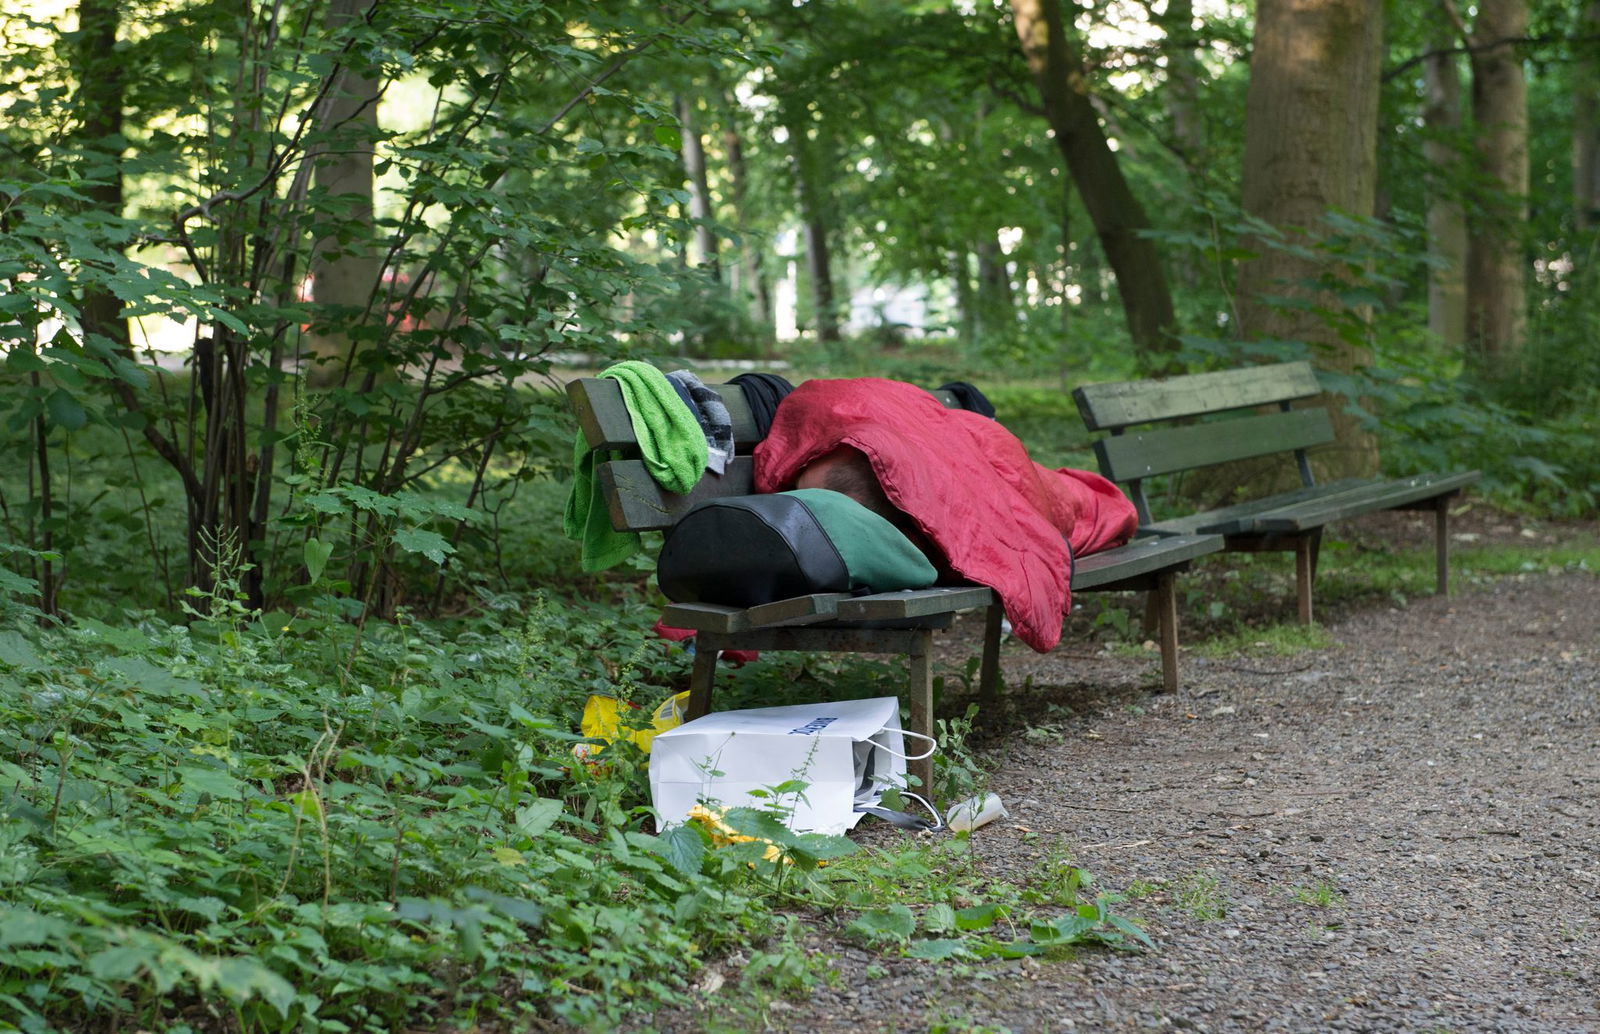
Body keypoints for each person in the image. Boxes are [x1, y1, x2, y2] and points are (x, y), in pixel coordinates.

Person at [754, 377, 1138, 653]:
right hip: (943, 456)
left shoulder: (899, 489)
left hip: (983, 465)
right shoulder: (828, 468)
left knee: (1094, 504)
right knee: (1090, 504)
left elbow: (988, 515)